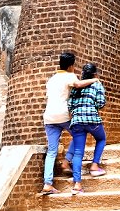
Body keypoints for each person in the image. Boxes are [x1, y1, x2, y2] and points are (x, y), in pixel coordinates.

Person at [41, 52, 97, 195]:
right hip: (64, 115)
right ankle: (66, 162)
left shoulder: (51, 79)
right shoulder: (69, 76)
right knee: (78, 136)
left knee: (52, 151)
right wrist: (94, 81)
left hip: (49, 118)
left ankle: (48, 184)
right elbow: (78, 84)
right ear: (71, 65)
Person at [66, 63, 107, 195]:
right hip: (92, 120)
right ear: (95, 74)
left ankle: (77, 185)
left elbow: (70, 105)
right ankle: (95, 166)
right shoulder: (96, 84)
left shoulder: (76, 86)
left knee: (78, 153)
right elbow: (101, 103)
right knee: (101, 138)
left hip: (77, 121)